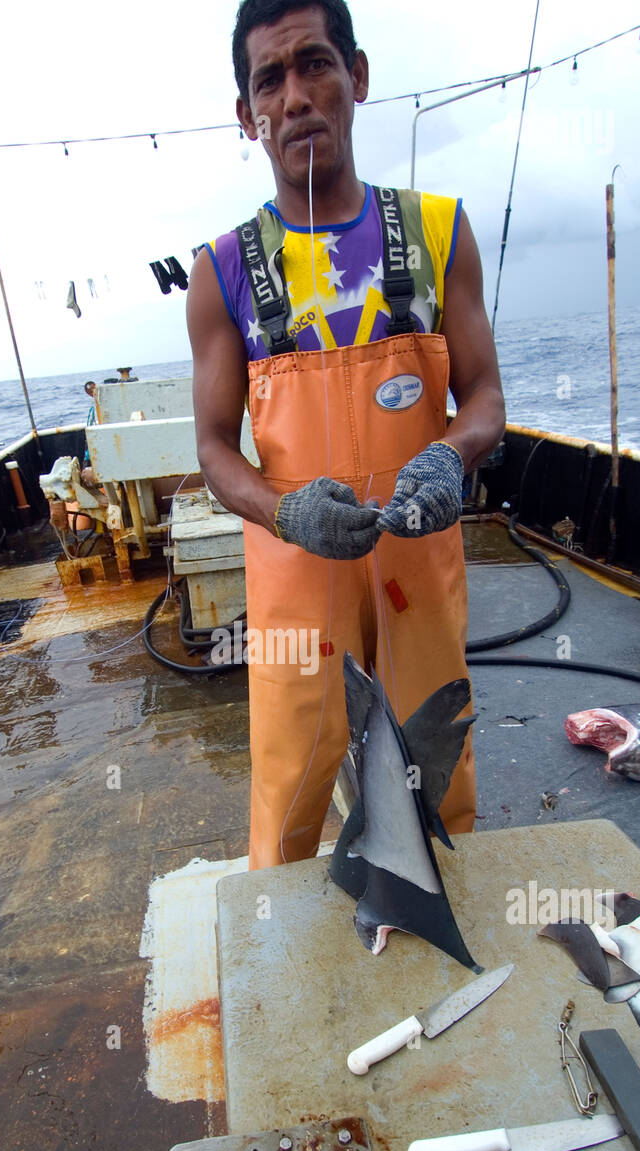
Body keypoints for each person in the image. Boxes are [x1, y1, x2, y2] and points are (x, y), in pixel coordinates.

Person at [186, 0, 505, 870]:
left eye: (315, 63)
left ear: (357, 77)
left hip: (418, 564)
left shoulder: (441, 235)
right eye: (269, 80)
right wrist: (286, 513)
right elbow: (215, 448)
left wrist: (452, 451)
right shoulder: (221, 273)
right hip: (298, 578)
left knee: (437, 775)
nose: (294, 97)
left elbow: (484, 398)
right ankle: (281, 975)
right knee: (289, 789)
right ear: (248, 115)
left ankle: (442, 944)